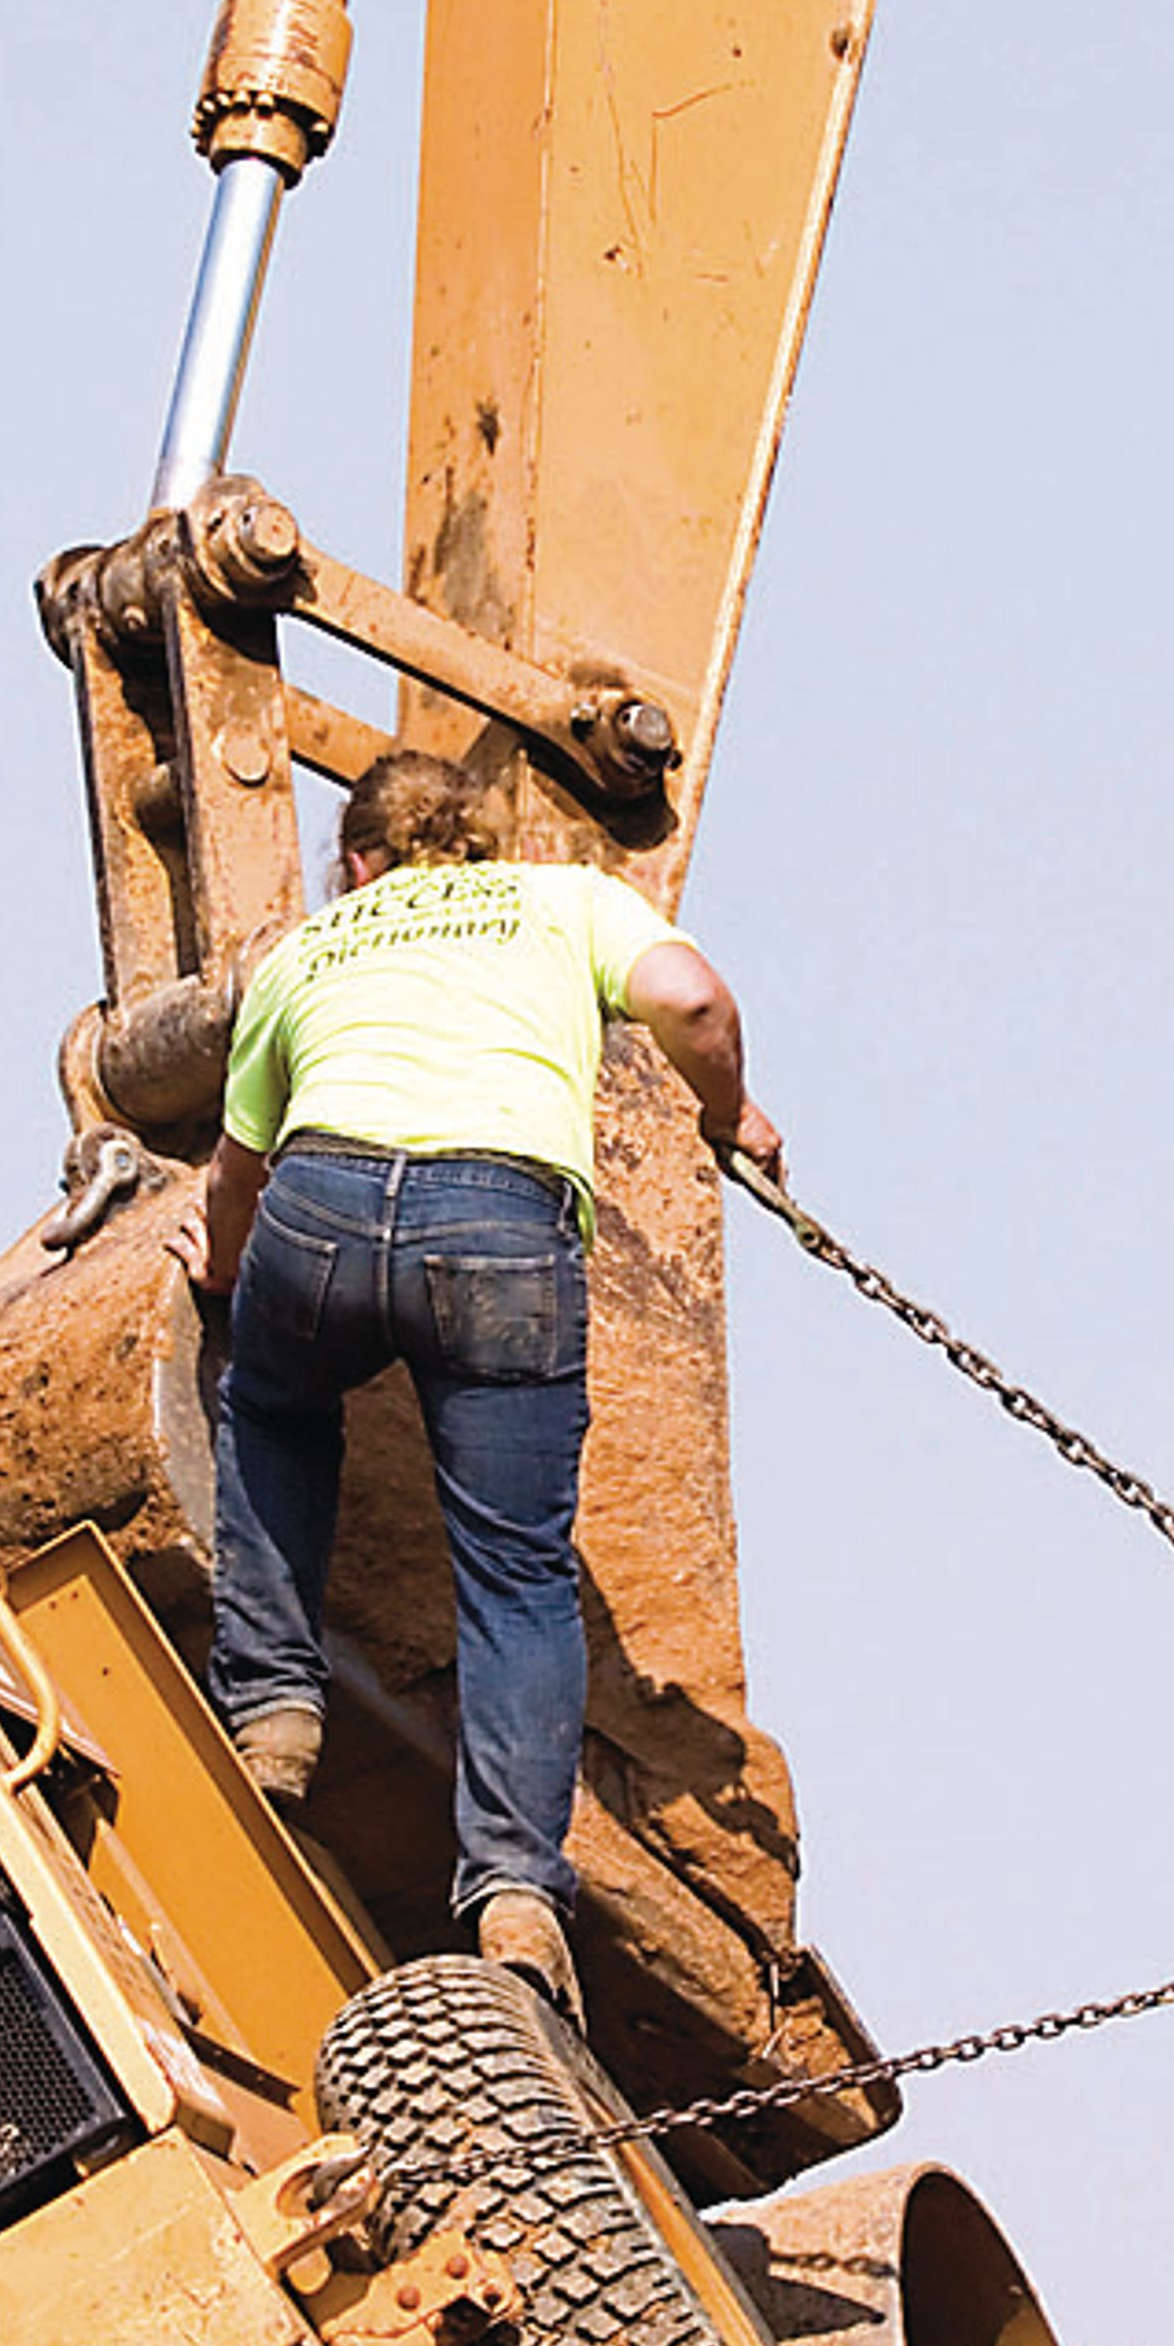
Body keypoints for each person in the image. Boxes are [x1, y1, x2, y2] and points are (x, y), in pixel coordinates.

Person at [188, 751, 780, 1994]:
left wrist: (221, 1276)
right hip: (503, 1224)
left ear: (359, 860)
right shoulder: (563, 901)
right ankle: (514, 1890)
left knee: (275, 1407)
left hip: (327, 1197)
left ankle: (275, 1714)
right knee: (516, 1569)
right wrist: (728, 1113)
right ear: (478, 845)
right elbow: (697, 1003)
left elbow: (238, 1176)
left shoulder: (309, 947)